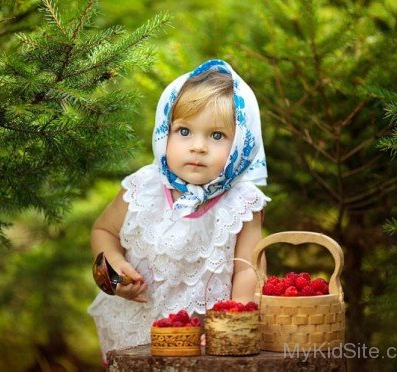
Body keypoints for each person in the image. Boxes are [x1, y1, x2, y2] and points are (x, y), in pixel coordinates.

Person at [87, 59, 270, 359]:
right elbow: (103, 230)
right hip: (133, 330)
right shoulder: (143, 186)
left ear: (240, 144)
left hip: (203, 340)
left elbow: (248, 270)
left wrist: (234, 325)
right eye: (184, 131)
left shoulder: (241, 202)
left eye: (217, 136)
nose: (198, 147)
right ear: (164, 132)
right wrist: (113, 269)